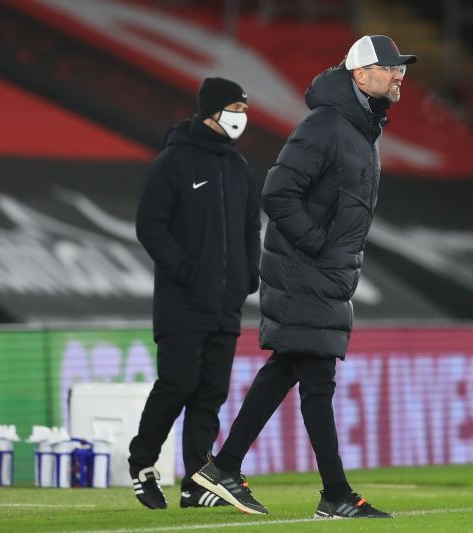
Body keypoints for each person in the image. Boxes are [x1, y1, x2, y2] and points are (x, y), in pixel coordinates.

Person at [192, 35, 416, 519]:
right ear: (360, 74)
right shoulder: (327, 125)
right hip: (305, 269)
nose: (400, 75)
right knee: (317, 379)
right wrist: (318, 246)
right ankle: (334, 495)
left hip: (324, 272)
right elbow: (277, 193)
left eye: (403, 68)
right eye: (390, 67)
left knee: (288, 370)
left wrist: (331, 255)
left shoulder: (360, 129)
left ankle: (224, 468)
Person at [129, 77, 261, 510]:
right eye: (235, 110)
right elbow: (150, 224)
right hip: (182, 303)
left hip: (226, 306)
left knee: (209, 394)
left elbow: (248, 230)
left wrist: (248, 277)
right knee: (178, 384)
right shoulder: (174, 161)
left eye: (245, 111)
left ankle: (197, 481)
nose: (242, 118)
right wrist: (187, 271)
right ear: (211, 112)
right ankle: (143, 463)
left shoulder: (240, 168)